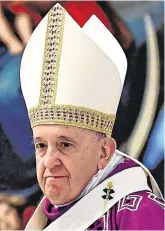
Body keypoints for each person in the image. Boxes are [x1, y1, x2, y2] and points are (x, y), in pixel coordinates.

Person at [20, 3, 164, 230]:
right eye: (40, 145)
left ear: (104, 152)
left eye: (65, 144)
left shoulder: (140, 214)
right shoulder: (47, 215)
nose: (48, 161)